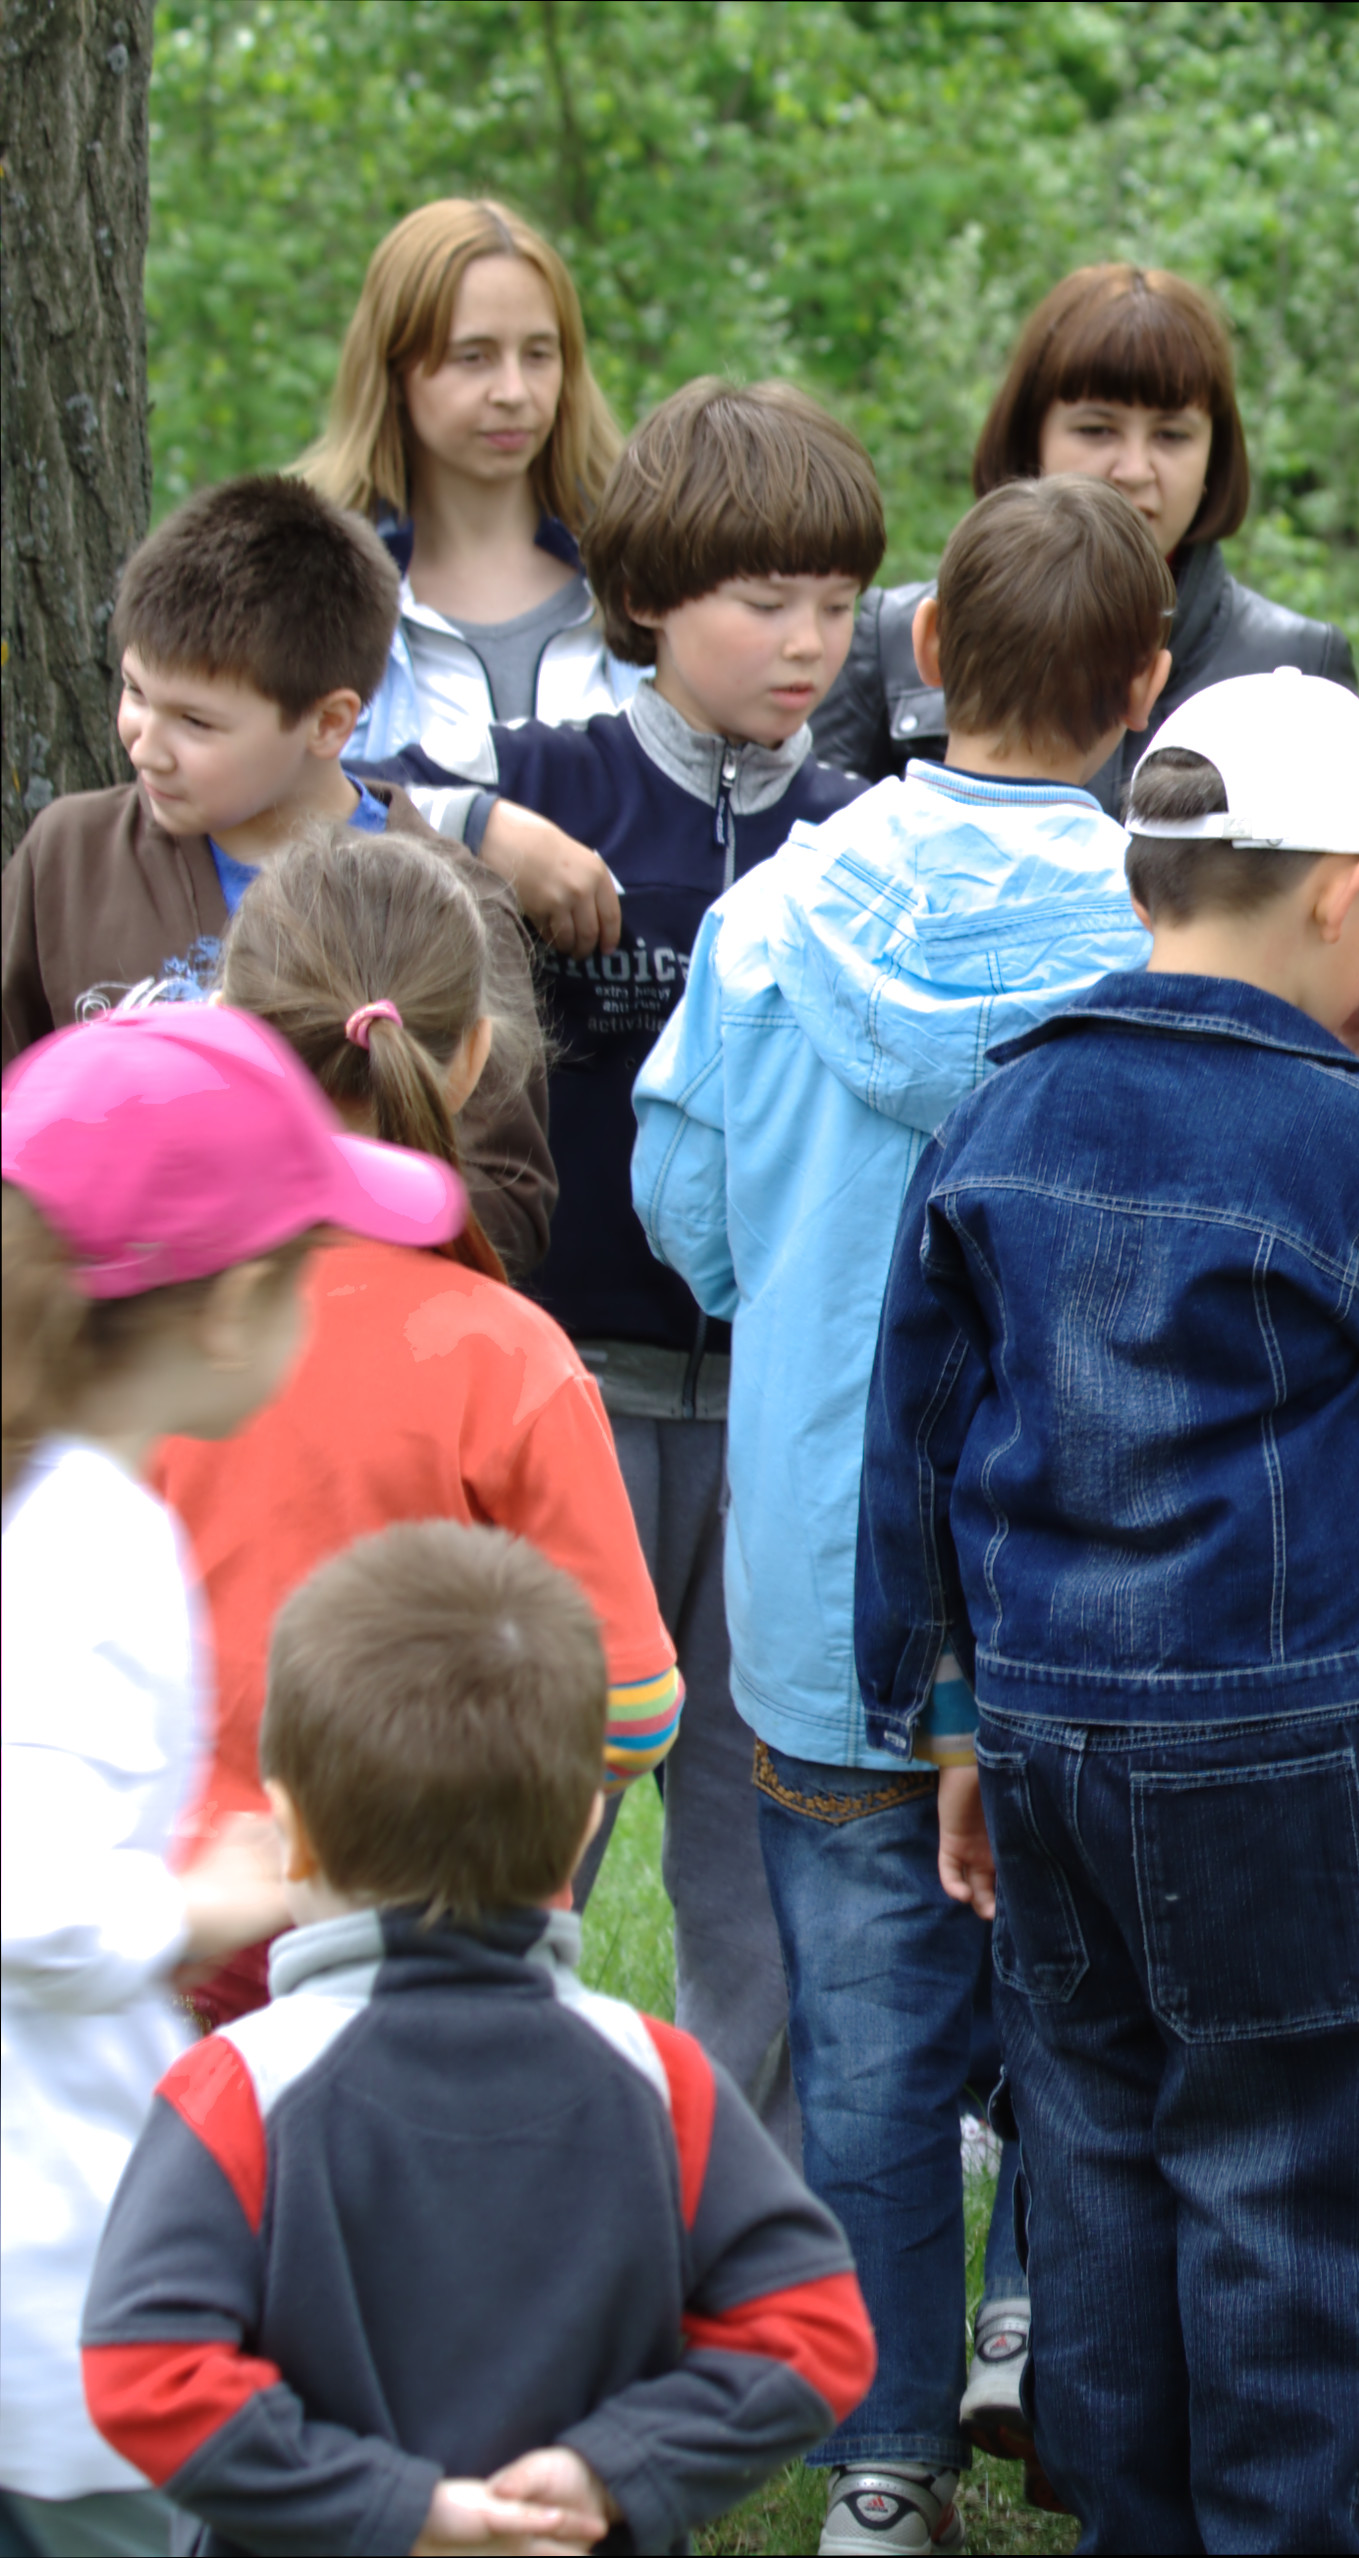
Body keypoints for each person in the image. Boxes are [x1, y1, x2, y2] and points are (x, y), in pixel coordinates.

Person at [859, 668, 1359, 2549]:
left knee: (1096, 2147)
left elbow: (917, 1447)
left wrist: (947, 1723)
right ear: (1344, 894)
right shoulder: (1349, 1128)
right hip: (1273, 1742)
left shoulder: (1001, 1109)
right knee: (1296, 2169)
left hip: (1049, 1730)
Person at [632, 472, 1169, 2557]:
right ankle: (1047, 2314)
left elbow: (687, 1215)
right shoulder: (1166, 930)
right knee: (1093, 1994)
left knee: (863, 2042)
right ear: (1145, 683)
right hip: (1090, 1569)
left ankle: (883, 2459)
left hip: (821, 1568)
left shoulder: (774, 917)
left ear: (926, 652)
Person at [356, 375, 880, 2087]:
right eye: (764, 600)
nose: (806, 642)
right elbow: (334, 790)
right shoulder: (548, 778)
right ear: (645, 594)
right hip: (561, 1392)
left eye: (834, 603)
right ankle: (474, 2138)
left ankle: (746, 2200)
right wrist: (488, 828)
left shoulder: (857, 835)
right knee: (525, 1819)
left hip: (779, 1414)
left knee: (759, 1852)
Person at [78, 1522, 874, 2558]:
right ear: (585, 1823)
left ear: (292, 1834)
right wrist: (610, 2466)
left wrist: (392, 2506)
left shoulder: (235, 2089)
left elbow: (143, 2368)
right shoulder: (664, 2082)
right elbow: (812, 2330)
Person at [0, 1003, 464, 2554]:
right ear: (232, 1309)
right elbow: (28, 1899)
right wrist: (206, 1898)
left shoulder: (52, 1498)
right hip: (56, 2303)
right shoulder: (91, 1542)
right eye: (312, 1264)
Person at [151, 830, 683, 2030]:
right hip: (453, 1963)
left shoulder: (149, 1346)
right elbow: (635, 1702)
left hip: (187, 1943)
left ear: (227, 1030)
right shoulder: (511, 1356)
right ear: (476, 1053)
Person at [1, 474, 556, 1278]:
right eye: (135, 691)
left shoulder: (455, 904)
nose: (144, 742)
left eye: (196, 722)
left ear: (329, 722)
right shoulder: (67, 855)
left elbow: (507, 1194)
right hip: (109, 1348)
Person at [814, 263, 1354, 814]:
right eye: (1097, 429)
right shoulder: (887, 638)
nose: (1134, 469)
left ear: (1215, 453)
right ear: (1031, 436)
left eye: (1172, 435)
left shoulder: (1296, 664)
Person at [300, 197, 651, 961]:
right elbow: (270, 811)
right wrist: (475, 829)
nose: (514, 391)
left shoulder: (648, 578)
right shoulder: (307, 589)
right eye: (474, 356)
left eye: (539, 354)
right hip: (391, 1009)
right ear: (394, 369)